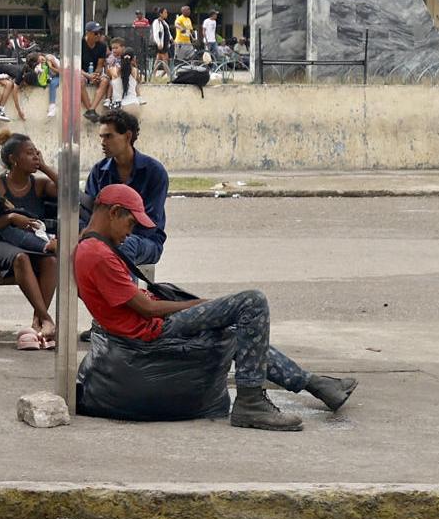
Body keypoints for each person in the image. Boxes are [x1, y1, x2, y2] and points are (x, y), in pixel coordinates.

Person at [78, 184, 357, 431]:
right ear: (114, 212)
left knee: (240, 329)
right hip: (150, 332)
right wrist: (200, 305)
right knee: (252, 302)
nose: (130, 233)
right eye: (130, 224)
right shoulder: (99, 254)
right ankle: (251, 402)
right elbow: (146, 309)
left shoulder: (92, 246)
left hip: (144, 328)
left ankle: (315, 384)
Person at [0, 135, 59, 342]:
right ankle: (46, 319)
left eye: (36, 153)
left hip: (31, 241)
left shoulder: (39, 184)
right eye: (29, 153)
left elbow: (70, 193)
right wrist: (12, 218)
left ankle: (37, 323)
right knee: (20, 258)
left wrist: (45, 167)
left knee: (51, 261)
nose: (35, 157)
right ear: (14, 159)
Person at [82, 108, 167, 267]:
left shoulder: (155, 172)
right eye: (101, 137)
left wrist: (115, 237)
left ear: (128, 136)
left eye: (108, 136)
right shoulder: (98, 172)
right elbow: (89, 213)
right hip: (105, 237)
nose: (103, 143)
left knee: (125, 245)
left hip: (145, 241)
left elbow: (150, 222)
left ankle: (122, 292)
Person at [80, 22, 112, 114]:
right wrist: (88, 76)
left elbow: (100, 65)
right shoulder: (79, 44)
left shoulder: (102, 46)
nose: (98, 35)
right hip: (82, 73)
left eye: (100, 33)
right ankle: (89, 109)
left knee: (105, 80)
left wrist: (96, 75)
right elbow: (75, 67)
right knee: (80, 80)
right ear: (88, 33)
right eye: (95, 33)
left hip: (93, 73)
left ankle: (92, 109)